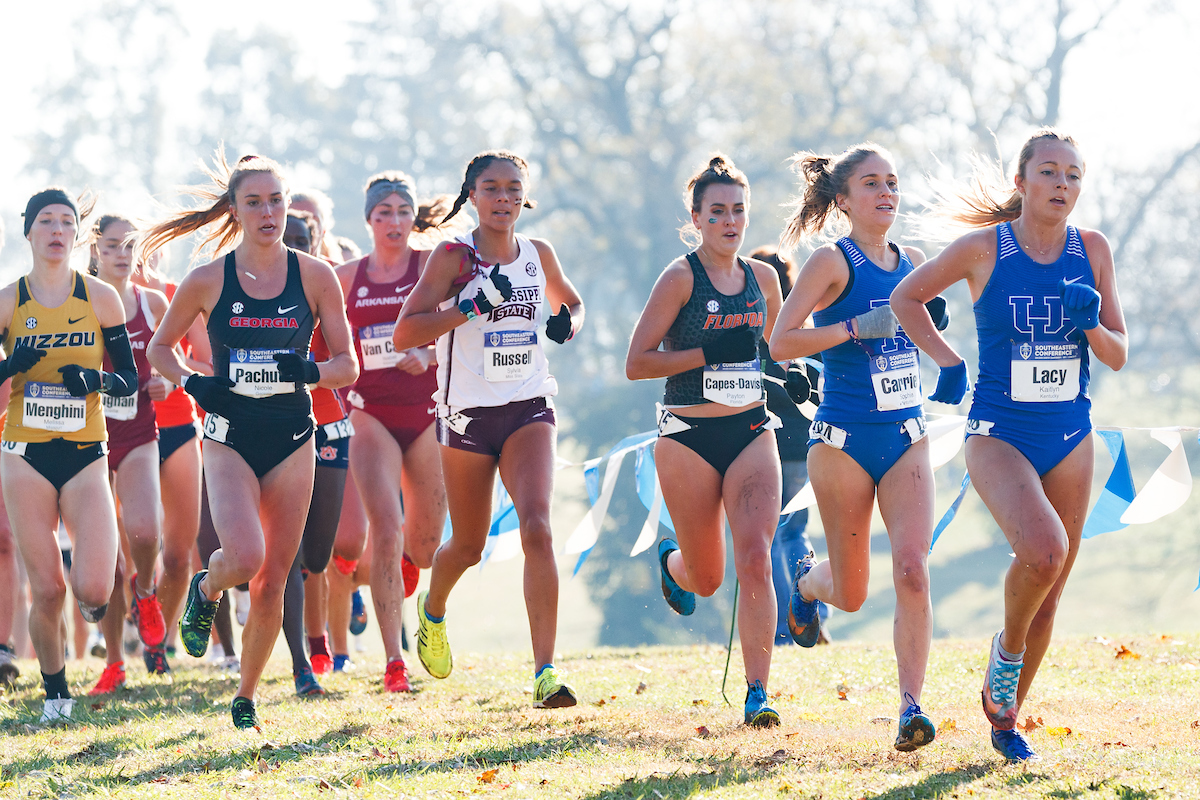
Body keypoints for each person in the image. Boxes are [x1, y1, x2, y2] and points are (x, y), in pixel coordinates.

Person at [891, 129, 1127, 762]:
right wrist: (945, 360)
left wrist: (1091, 323)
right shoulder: (982, 249)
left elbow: (1118, 353)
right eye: (1049, 172)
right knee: (1044, 551)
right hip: (999, 433)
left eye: (1074, 175)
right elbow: (905, 296)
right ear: (1022, 182)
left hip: (1071, 435)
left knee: (1051, 589)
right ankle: (1006, 655)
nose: (1062, 184)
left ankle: (1005, 718)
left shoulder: (1093, 250)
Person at [143, 152, 358, 728]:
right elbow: (158, 350)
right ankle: (206, 585)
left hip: (292, 436)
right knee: (244, 557)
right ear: (235, 211)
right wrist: (193, 384)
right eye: (255, 202)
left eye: (277, 201)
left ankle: (246, 696)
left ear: (288, 207)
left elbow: (348, 366)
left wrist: (307, 372)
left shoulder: (315, 277)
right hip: (229, 435)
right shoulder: (208, 278)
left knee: (272, 581)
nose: (268, 212)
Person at [769, 144, 944, 751]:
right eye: (872, 183)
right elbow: (781, 341)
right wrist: (851, 327)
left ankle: (910, 709)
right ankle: (805, 584)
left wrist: (932, 320)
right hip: (842, 443)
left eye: (893, 181)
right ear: (843, 199)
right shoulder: (830, 262)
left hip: (907, 437)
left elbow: (923, 324)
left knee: (913, 571)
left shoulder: (914, 262)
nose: (886, 192)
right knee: (851, 593)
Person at [394, 150, 584, 709]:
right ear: (471, 196)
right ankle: (434, 607)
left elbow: (571, 301)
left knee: (539, 529)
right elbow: (407, 332)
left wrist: (566, 321)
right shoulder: (455, 257)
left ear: (524, 197)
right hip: (466, 415)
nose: (504, 199)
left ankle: (545, 671)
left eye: (513, 189)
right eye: (492, 189)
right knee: (469, 546)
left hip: (528, 406)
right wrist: (466, 308)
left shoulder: (538, 253)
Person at [626, 155, 785, 727]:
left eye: (738, 210)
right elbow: (637, 363)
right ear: (696, 217)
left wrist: (794, 371)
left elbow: (774, 347)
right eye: (717, 211)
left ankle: (758, 692)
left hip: (750, 429)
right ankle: (673, 564)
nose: (730, 221)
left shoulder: (763, 279)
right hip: (688, 436)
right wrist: (705, 354)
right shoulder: (680, 278)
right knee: (710, 578)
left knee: (756, 558)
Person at [1, 187, 137, 722]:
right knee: (48, 588)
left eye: (65, 223)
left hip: (85, 454)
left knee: (93, 587)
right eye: (46, 222)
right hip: (24, 453)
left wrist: (94, 380)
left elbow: (127, 381)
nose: (56, 231)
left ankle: (94, 614)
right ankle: (56, 693)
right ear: (29, 232)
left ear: (76, 235)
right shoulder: (9, 301)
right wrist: (12, 364)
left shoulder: (101, 297)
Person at [336, 173, 448, 692]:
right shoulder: (345, 279)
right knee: (383, 527)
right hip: (370, 413)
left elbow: (466, 326)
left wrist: (428, 354)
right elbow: (322, 343)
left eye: (404, 211)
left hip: (427, 411)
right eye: (384, 212)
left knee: (425, 547)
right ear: (369, 220)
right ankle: (392, 661)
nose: (395, 221)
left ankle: (406, 562)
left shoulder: (432, 267)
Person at [85, 214, 172, 692]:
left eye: (129, 246)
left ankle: (147, 593)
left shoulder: (153, 303)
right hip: (88, 439)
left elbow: (170, 364)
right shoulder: (79, 303)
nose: (121, 254)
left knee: (144, 530)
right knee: (104, 559)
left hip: (139, 432)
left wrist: (163, 382)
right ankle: (114, 660)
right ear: (96, 250)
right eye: (112, 245)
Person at [279, 207, 351, 694]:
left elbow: (351, 364)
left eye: (302, 237)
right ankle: (302, 664)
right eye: (287, 238)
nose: (293, 246)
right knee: (287, 554)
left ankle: (317, 630)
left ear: (317, 237)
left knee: (319, 555)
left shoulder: (324, 284)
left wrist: (309, 370)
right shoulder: (247, 287)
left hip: (329, 423)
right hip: (274, 429)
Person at [131, 250, 210, 670]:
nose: (135, 258)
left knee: (179, 555)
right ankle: (120, 648)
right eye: (121, 247)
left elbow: (207, 364)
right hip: (122, 433)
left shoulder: (179, 294)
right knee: (133, 547)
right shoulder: (100, 301)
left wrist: (169, 371)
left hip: (179, 426)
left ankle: (157, 643)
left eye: (143, 248)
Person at [748, 246, 829, 647]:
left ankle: (787, 624)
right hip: (807, 444)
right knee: (797, 532)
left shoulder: (751, 329)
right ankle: (814, 612)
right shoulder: (804, 328)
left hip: (767, 445)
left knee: (773, 536)